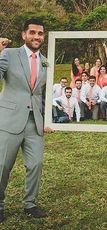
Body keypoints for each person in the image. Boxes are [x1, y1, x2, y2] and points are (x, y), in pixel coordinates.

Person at [0, 18, 53, 222]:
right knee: (3, 166)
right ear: (24, 35)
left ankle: (30, 204)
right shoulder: (9, 54)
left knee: (36, 164)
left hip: (35, 122)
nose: (36, 37)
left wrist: (48, 119)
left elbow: (43, 94)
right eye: (32, 32)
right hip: (9, 119)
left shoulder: (46, 61)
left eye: (40, 33)